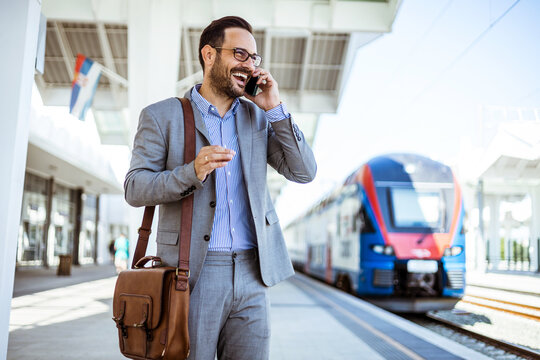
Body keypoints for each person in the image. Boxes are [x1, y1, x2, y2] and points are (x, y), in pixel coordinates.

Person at [124, 15, 316, 360]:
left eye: (254, 58)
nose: (249, 65)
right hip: (193, 273)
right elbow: (135, 188)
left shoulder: (258, 116)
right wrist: (191, 172)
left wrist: (276, 109)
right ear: (209, 55)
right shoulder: (162, 116)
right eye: (239, 54)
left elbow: (304, 172)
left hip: (253, 272)